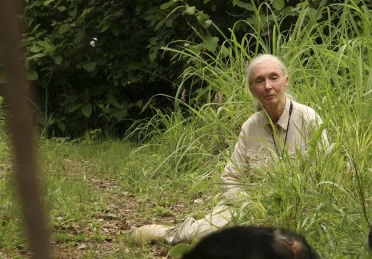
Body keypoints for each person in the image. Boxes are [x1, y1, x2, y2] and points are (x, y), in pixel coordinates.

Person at [131, 54, 328, 245]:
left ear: (285, 82)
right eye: (259, 81)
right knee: (204, 235)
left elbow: (323, 176)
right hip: (251, 209)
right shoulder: (250, 127)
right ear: (252, 90)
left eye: (273, 78)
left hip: (297, 211)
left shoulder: (309, 119)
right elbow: (231, 178)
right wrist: (251, 206)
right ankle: (167, 233)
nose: (267, 86)